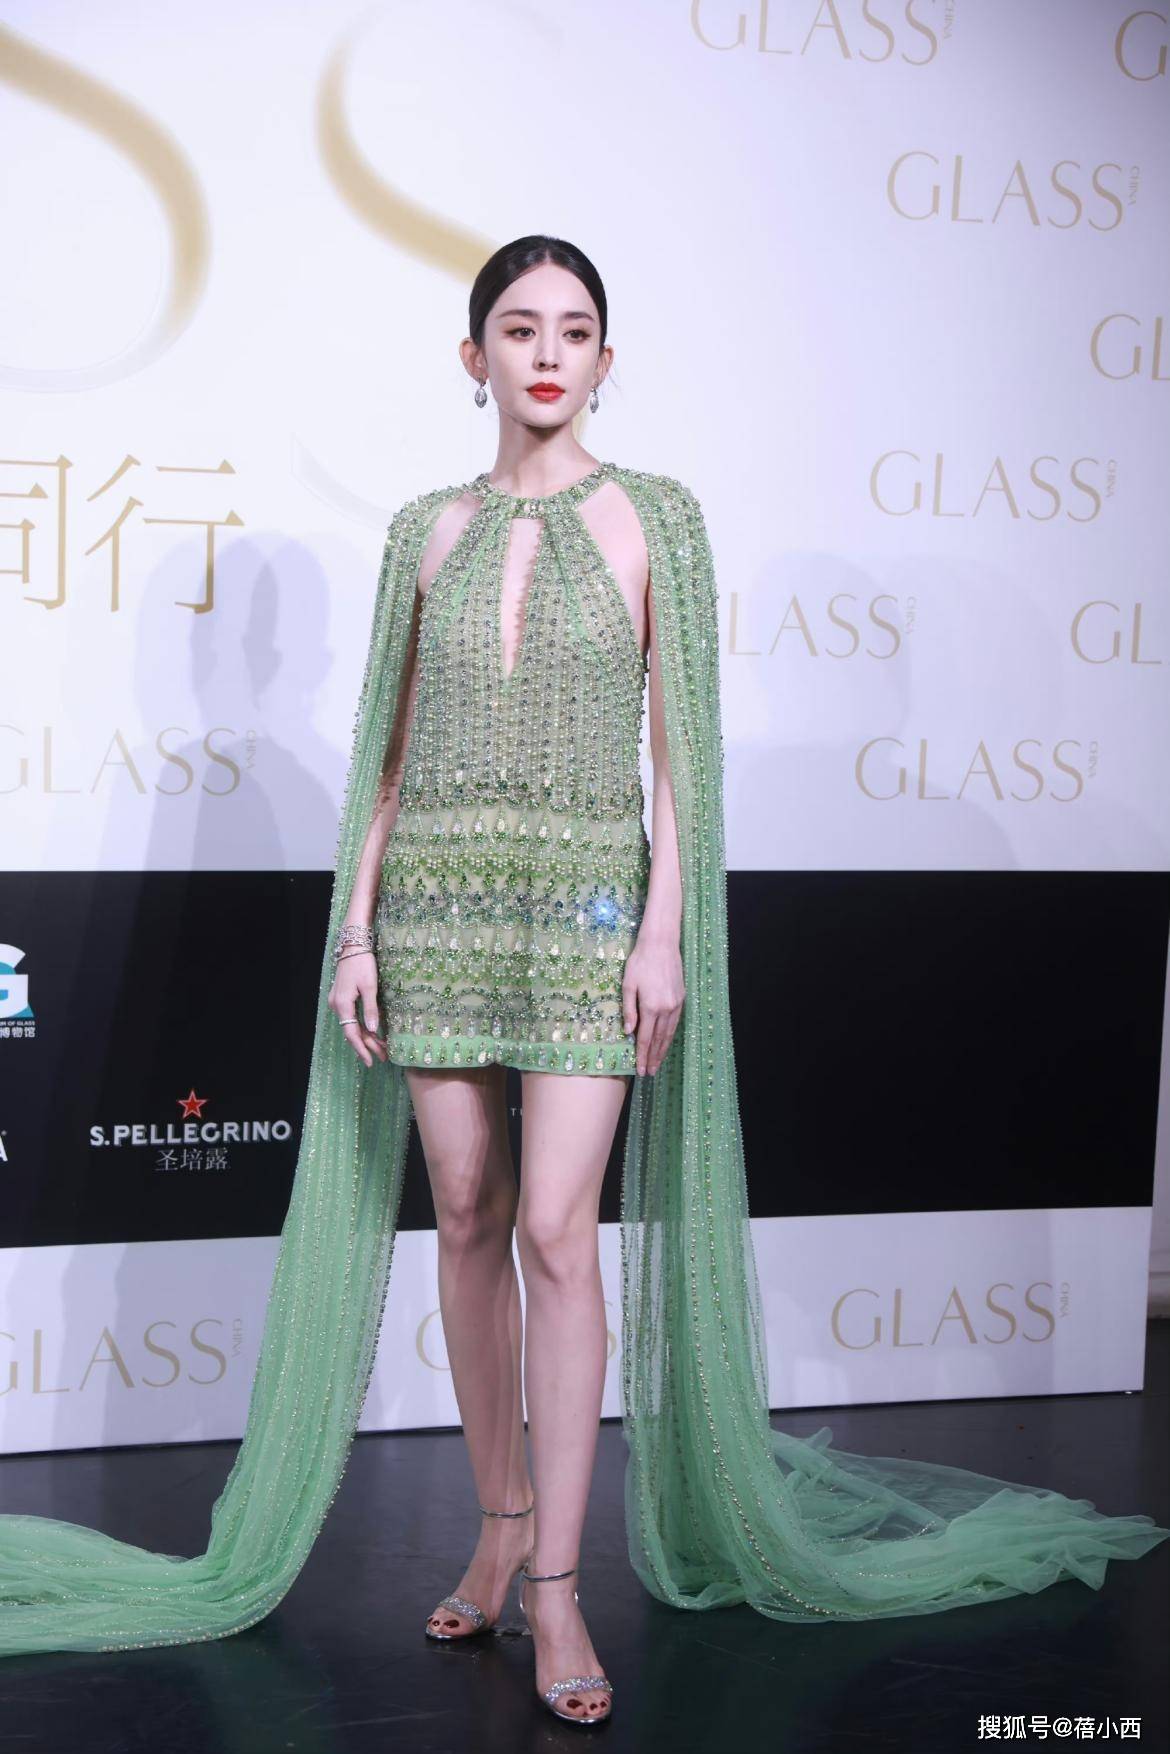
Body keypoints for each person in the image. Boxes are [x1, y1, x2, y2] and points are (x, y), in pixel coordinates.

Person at [2, 238, 1167, 1725]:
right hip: (433, 904)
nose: (546, 354)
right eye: (518, 328)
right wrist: (356, 934)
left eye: (573, 330)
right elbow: (386, 759)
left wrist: (661, 929)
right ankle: (496, 1533)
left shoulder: (655, 517)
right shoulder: (424, 530)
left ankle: (557, 1583)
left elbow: (684, 758)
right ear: (472, 355)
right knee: (467, 1215)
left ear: (607, 360)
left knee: (559, 1228)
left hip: (588, 910)